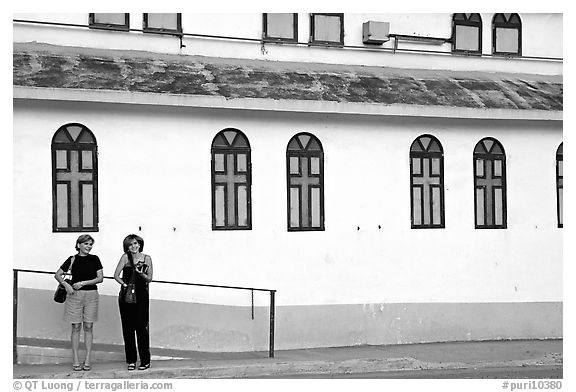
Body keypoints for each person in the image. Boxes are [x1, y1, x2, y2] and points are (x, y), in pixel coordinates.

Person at [54, 234, 103, 371]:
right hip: (74, 296)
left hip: (91, 295)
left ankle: (87, 358)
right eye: (86, 244)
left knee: (88, 326)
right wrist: (67, 285)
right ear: (79, 245)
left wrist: (83, 283)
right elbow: (57, 274)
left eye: (90, 244)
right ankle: (75, 357)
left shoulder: (95, 259)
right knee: (75, 327)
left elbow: (100, 278)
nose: (89, 246)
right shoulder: (72, 259)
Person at [114, 234, 153, 371]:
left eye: (136, 243)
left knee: (142, 328)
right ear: (127, 247)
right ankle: (131, 360)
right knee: (128, 329)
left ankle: (145, 360)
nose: (134, 246)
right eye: (130, 244)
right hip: (126, 297)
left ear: (140, 244)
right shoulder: (125, 257)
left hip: (141, 296)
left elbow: (149, 278)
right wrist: (124, 285)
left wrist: (141, 273)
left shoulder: (146, 258)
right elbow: (116, 275)